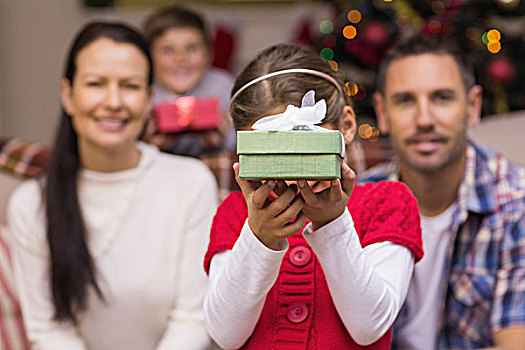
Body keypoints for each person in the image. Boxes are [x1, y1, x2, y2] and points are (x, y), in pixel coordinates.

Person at [6, 21, 217, 350]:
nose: (114, 101)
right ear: (68, 94)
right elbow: (50, 331)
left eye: (130, 86)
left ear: (149, 99)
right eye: (96, 83)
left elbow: (192, 320)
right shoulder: (31, 204)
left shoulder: (191, 183)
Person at [203, 43, 424, 349]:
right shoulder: (236, 211)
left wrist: (332, 223)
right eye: (267, 151)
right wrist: (258, 238)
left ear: (345, 126)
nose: (288, 170)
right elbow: (225, 335)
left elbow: (369, 326)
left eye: (300, 143)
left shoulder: (387, 202)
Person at [358, 33, 525, 349]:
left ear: (472, 107)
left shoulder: (517, 202)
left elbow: (514, 346)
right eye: (406, 100)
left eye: (442, 98)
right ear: (382, 113)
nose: (424, 119)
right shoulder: (355, 203)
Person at [142, 5, 235, 158]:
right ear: (149, 58)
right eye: (168, 50)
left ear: (209, 53)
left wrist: (220, 143)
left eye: (191, 48)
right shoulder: (144, 93)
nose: (180, 58)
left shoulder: (224, 88)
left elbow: (244, 139)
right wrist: (149, 144)